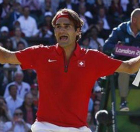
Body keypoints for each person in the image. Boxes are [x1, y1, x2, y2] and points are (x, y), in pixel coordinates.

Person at [0, 8, 140, 132]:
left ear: (77, 30)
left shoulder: (93, 58)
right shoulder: (41, 53)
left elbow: (129, 67)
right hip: (44, 127)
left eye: (67, 26)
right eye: (58, 27)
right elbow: (6, 57)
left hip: (78, 129)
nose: (61, 30)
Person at [103, 8, 140, 111]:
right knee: (126, 70)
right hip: (121, 66)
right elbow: (106, 47)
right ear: (135, 20)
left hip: (137, 69)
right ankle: (123, 101)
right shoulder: (119, 31)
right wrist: (116, 48)